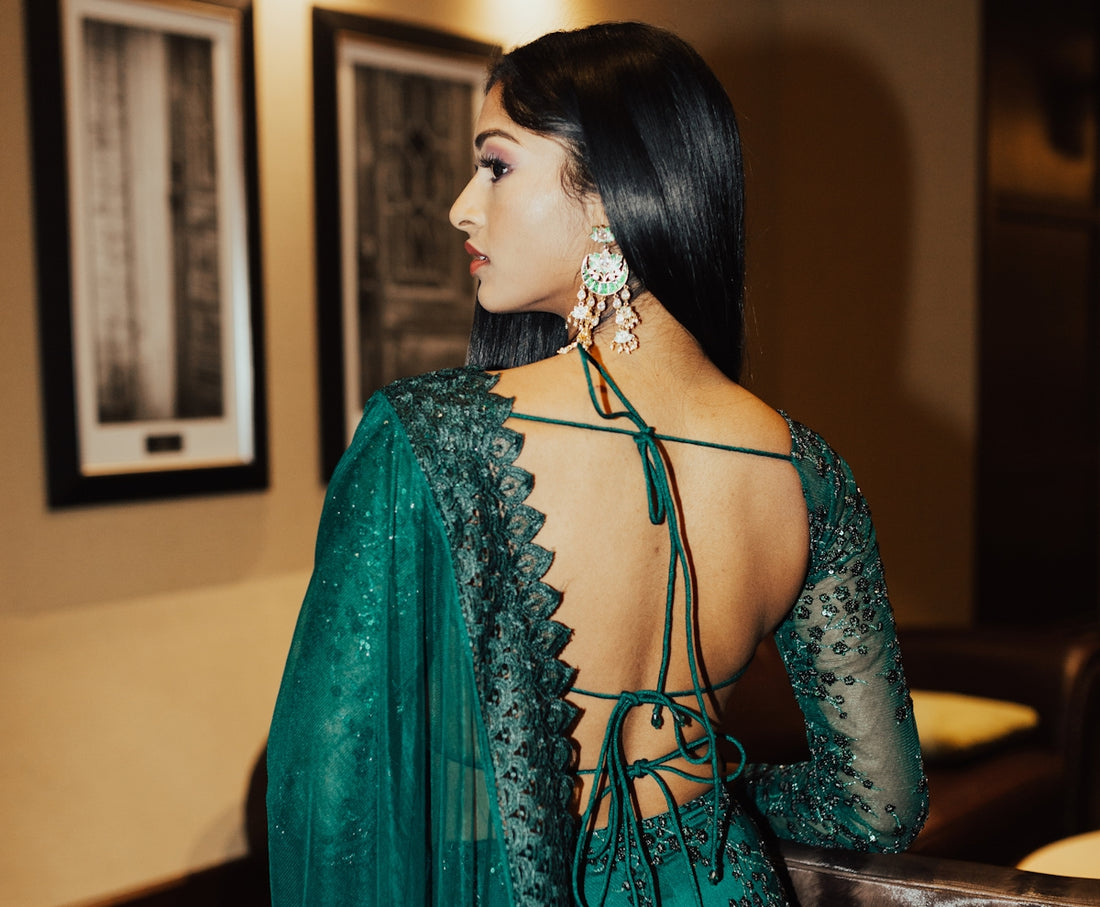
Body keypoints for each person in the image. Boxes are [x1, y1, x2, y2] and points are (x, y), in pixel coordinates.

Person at [266, 21, 928, 906]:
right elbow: (880, 806)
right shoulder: (805, 474)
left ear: (612, 190)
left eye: (496, 164)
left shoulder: (426, 440)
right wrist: (697, 810)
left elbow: (331, 804)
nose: (463, 204)